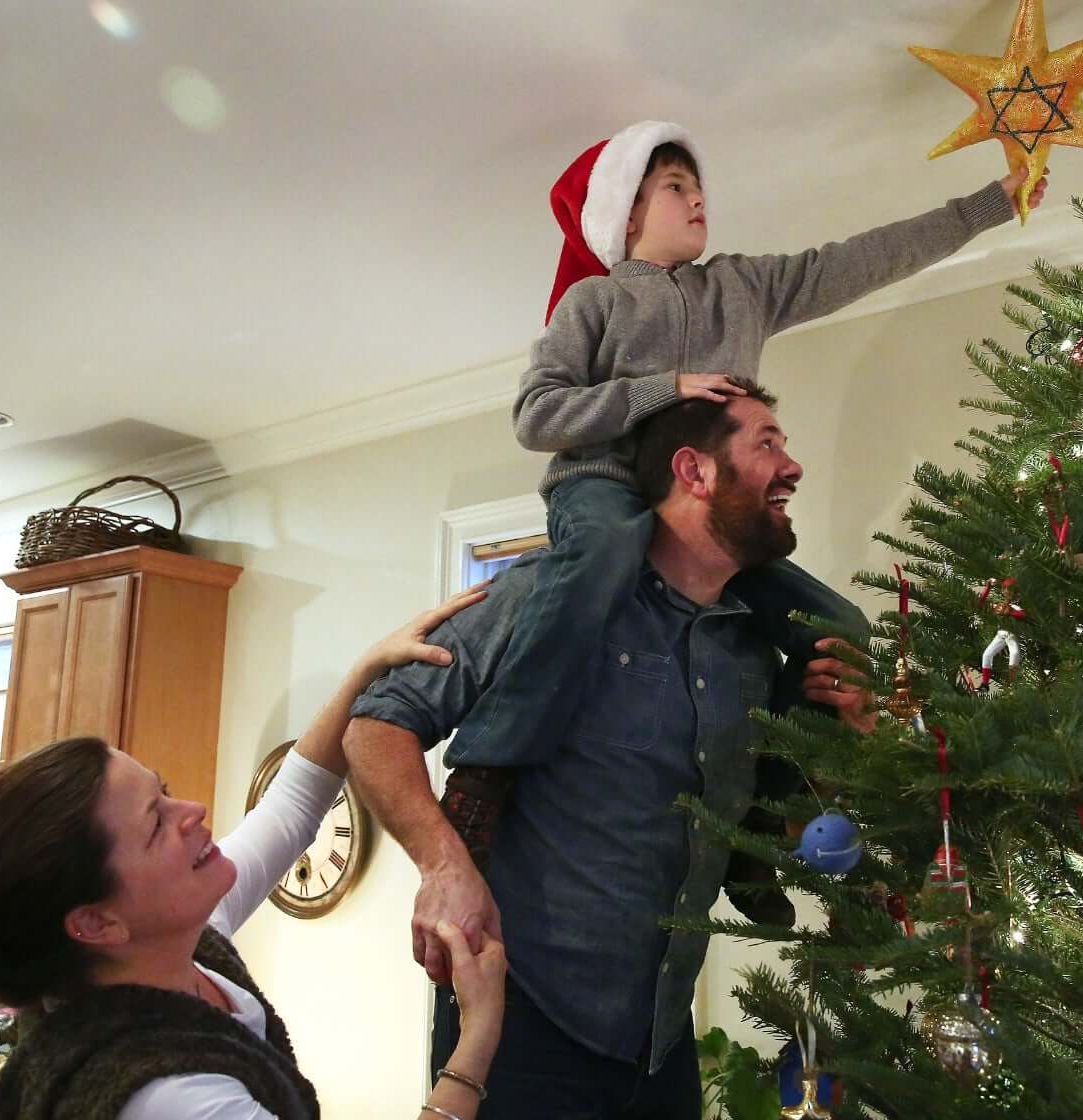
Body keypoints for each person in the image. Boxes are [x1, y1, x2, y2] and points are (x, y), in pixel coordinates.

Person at [441, 121, 1046, 924]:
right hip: (606, 486)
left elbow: (860, 258)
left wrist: (990, 205)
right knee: (603, 555)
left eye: (699, 188)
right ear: (625, 213)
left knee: (834, 624)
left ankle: (761, 805)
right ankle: (488, 772)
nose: (696, 201)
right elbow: (538, 415)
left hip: (715, 511)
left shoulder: (745, 286)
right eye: (674, 188)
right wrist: (668, 387)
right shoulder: (595, 300)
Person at [345, 382, 878, 1117]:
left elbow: (781, 827)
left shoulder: (755, 655)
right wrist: (444, 865)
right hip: (519, 1027)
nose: (792, 466)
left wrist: (845, 737)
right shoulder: (545, 595)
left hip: (661, 1043)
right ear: (694, 472)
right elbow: (376, 724)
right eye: (767, 443)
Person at [0, 590, 505, 1120]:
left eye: (163, 791)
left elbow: (292, 805)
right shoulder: (165, 1095)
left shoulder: (177, 948)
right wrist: (476, 1038)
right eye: (156, 824)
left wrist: (365, 669)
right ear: (96, 921)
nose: (191, 812)